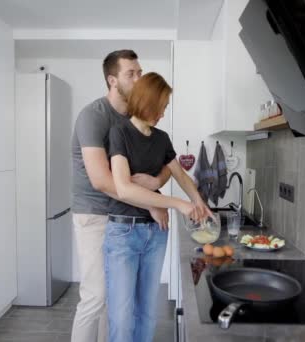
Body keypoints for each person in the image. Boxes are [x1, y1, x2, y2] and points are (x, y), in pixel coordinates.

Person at [70, 50, 172, 342]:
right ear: (112, 80)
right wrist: (150, 202)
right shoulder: (94, 116)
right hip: (95, 212)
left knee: (115, 302)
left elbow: (165, 163)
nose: (139, 78)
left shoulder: (134, 117)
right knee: (95, 297)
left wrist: (154, 184)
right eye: (132, 74)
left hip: (125, 216)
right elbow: (102, 181)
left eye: (140, 72)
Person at [104, 72, 211, 342]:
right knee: (122, 315)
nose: (163, 113)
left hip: (156, 232)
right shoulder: (119, 133)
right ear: (145, 101)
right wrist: (177, 203)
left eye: (165, 108)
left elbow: (181, 175)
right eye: (160, 106)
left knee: (148, 313)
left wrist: (199, 202)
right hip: (123, 233)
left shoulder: (162, 138)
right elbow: (123, 187)